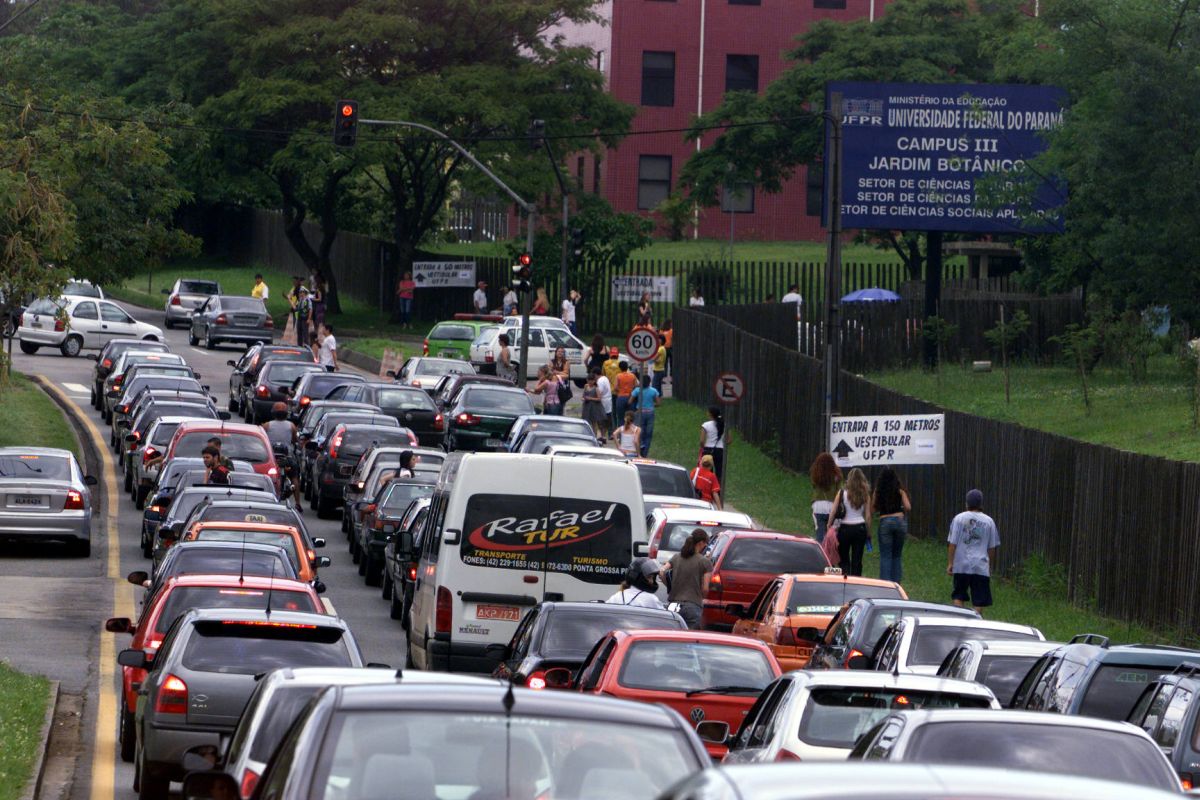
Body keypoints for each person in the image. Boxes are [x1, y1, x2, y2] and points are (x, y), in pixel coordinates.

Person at [948, 489, 1000, 616]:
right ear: (981, 503)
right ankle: (975, 619)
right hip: (980, 566)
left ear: (967, 503)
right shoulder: (989, 521)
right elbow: (992, 547)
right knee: (979, 598)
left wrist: (950, 563)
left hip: (961, 565)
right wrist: (989, 565)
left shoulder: (959, 519)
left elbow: (952, 543)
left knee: (959, 594)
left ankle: (959, 617)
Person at [662, 529, 712, 628]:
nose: (705, 546)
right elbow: (705, 588)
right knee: (688, 638)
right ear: (701, 543)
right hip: (692, 605)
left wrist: (670, 587)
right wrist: (700, 597)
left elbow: (662, 571)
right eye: (705, 544)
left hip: (674, 604)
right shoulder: (705, 562)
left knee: (671, 634)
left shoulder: (676, 557)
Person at [829, 468, 871, 577]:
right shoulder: (865, 494)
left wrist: (829, 525)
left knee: (844, 558)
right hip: (860, 528)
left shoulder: (842, 493)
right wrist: (868, 532)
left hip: (845, 528)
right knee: (857, 560)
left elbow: (833, 511)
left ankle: (845, 578)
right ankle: (856, 581)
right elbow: (868, 516)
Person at [874, 468, 911, 583]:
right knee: (897, 555)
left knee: (886, 555)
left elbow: (873, 508)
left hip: (885, 521)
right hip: (899, 521)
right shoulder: (900, 491)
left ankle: (885, 585)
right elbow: (908, 507)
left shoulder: (878, 491)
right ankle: (896, 584)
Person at [809, 453, 843, 544]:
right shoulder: (836, 476)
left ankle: (821, 554)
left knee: (820, 534)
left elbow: (814, 486)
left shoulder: (816, 475)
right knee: (832, 534)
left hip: (818, 506)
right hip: (832, 506)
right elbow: (839, 492)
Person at [629, 373, 660, 456]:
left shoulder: (637, 390)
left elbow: (630, 401)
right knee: (648, 433)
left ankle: (641, 445)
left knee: (639, 431)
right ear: (650, 382)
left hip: (640, 412)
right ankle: (645, 451)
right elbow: (658, 403)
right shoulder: (653, 391)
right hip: (650, 413)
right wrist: (651, 405)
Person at [699, 406, 727, 484]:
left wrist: (702, 448)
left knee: (707, 472)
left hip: (708, 450)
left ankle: (708, 489)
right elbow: (729, 440)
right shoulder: (724, 424)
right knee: (719, 472)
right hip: (720, 450)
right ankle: (718, 490)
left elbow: (702, 441)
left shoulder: (706, 425)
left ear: (710, 414)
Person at [581, 372, 606, 439]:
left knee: (594, 423)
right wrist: (583, 399)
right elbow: (583, 395)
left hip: (594, 407)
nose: (590, 382)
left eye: (591, 380)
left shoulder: (596, 388)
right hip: (587, 406)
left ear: (594, 381)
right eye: (588, 380)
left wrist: (590, 398)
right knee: (587, 422)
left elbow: (599, 399)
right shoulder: (586, 386)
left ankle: (594, 437)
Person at [613, 361, 637, 429]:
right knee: (631, 417)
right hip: (630, 397)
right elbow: (636, 385)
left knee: (620, 418)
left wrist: (620, 390)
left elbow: (615, 387)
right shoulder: (632, 375)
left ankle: (621, 436)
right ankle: (631, 433)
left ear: (620, 368)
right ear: (627, 367)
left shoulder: (618, 376)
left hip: (621, 397)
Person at [593, 366, 613, 442]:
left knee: (601, 419)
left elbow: (599, 392)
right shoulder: (605, 378)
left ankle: (601, 435)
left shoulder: (600, 381)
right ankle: (603, 435)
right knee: (606, 418)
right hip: (608, 400)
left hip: (603, 401)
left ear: (595, 374)